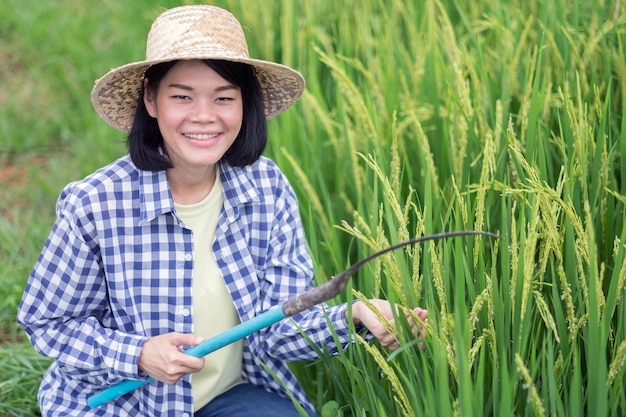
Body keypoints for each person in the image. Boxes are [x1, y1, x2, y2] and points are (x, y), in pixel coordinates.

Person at [17, 5, 427, 417]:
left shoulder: (267, 188)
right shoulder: (96, 204)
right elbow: (48, 325)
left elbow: (278, 331)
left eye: (224, 97)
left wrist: (358, 316)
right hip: (123, 404)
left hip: (226, 397)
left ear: (244, 105)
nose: (204, 116)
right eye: (182, 96)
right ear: (151, 99)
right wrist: (138, 353)